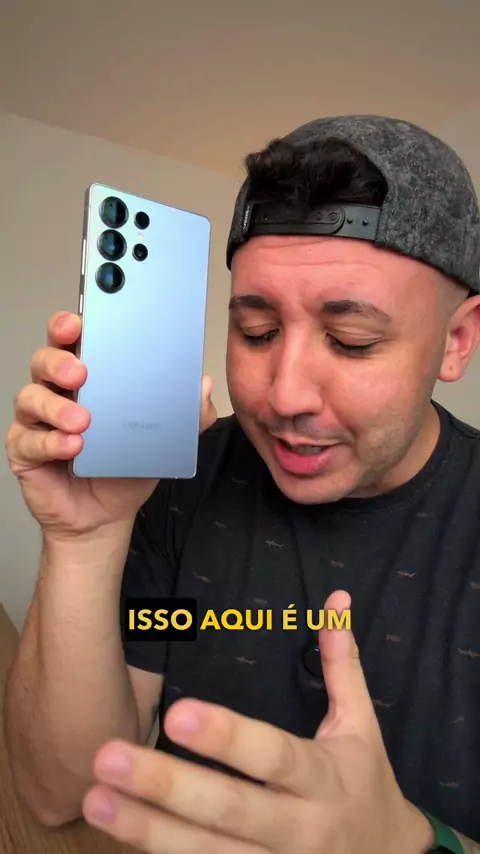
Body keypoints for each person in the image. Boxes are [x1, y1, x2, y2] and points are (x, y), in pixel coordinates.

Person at [4, 114, 480, 854]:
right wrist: (85, 537)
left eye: (350, 342)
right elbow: (61, 791)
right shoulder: (181, 481)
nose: (284, 395)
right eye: (256, 331)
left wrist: (417, 844)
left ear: (456, 341)